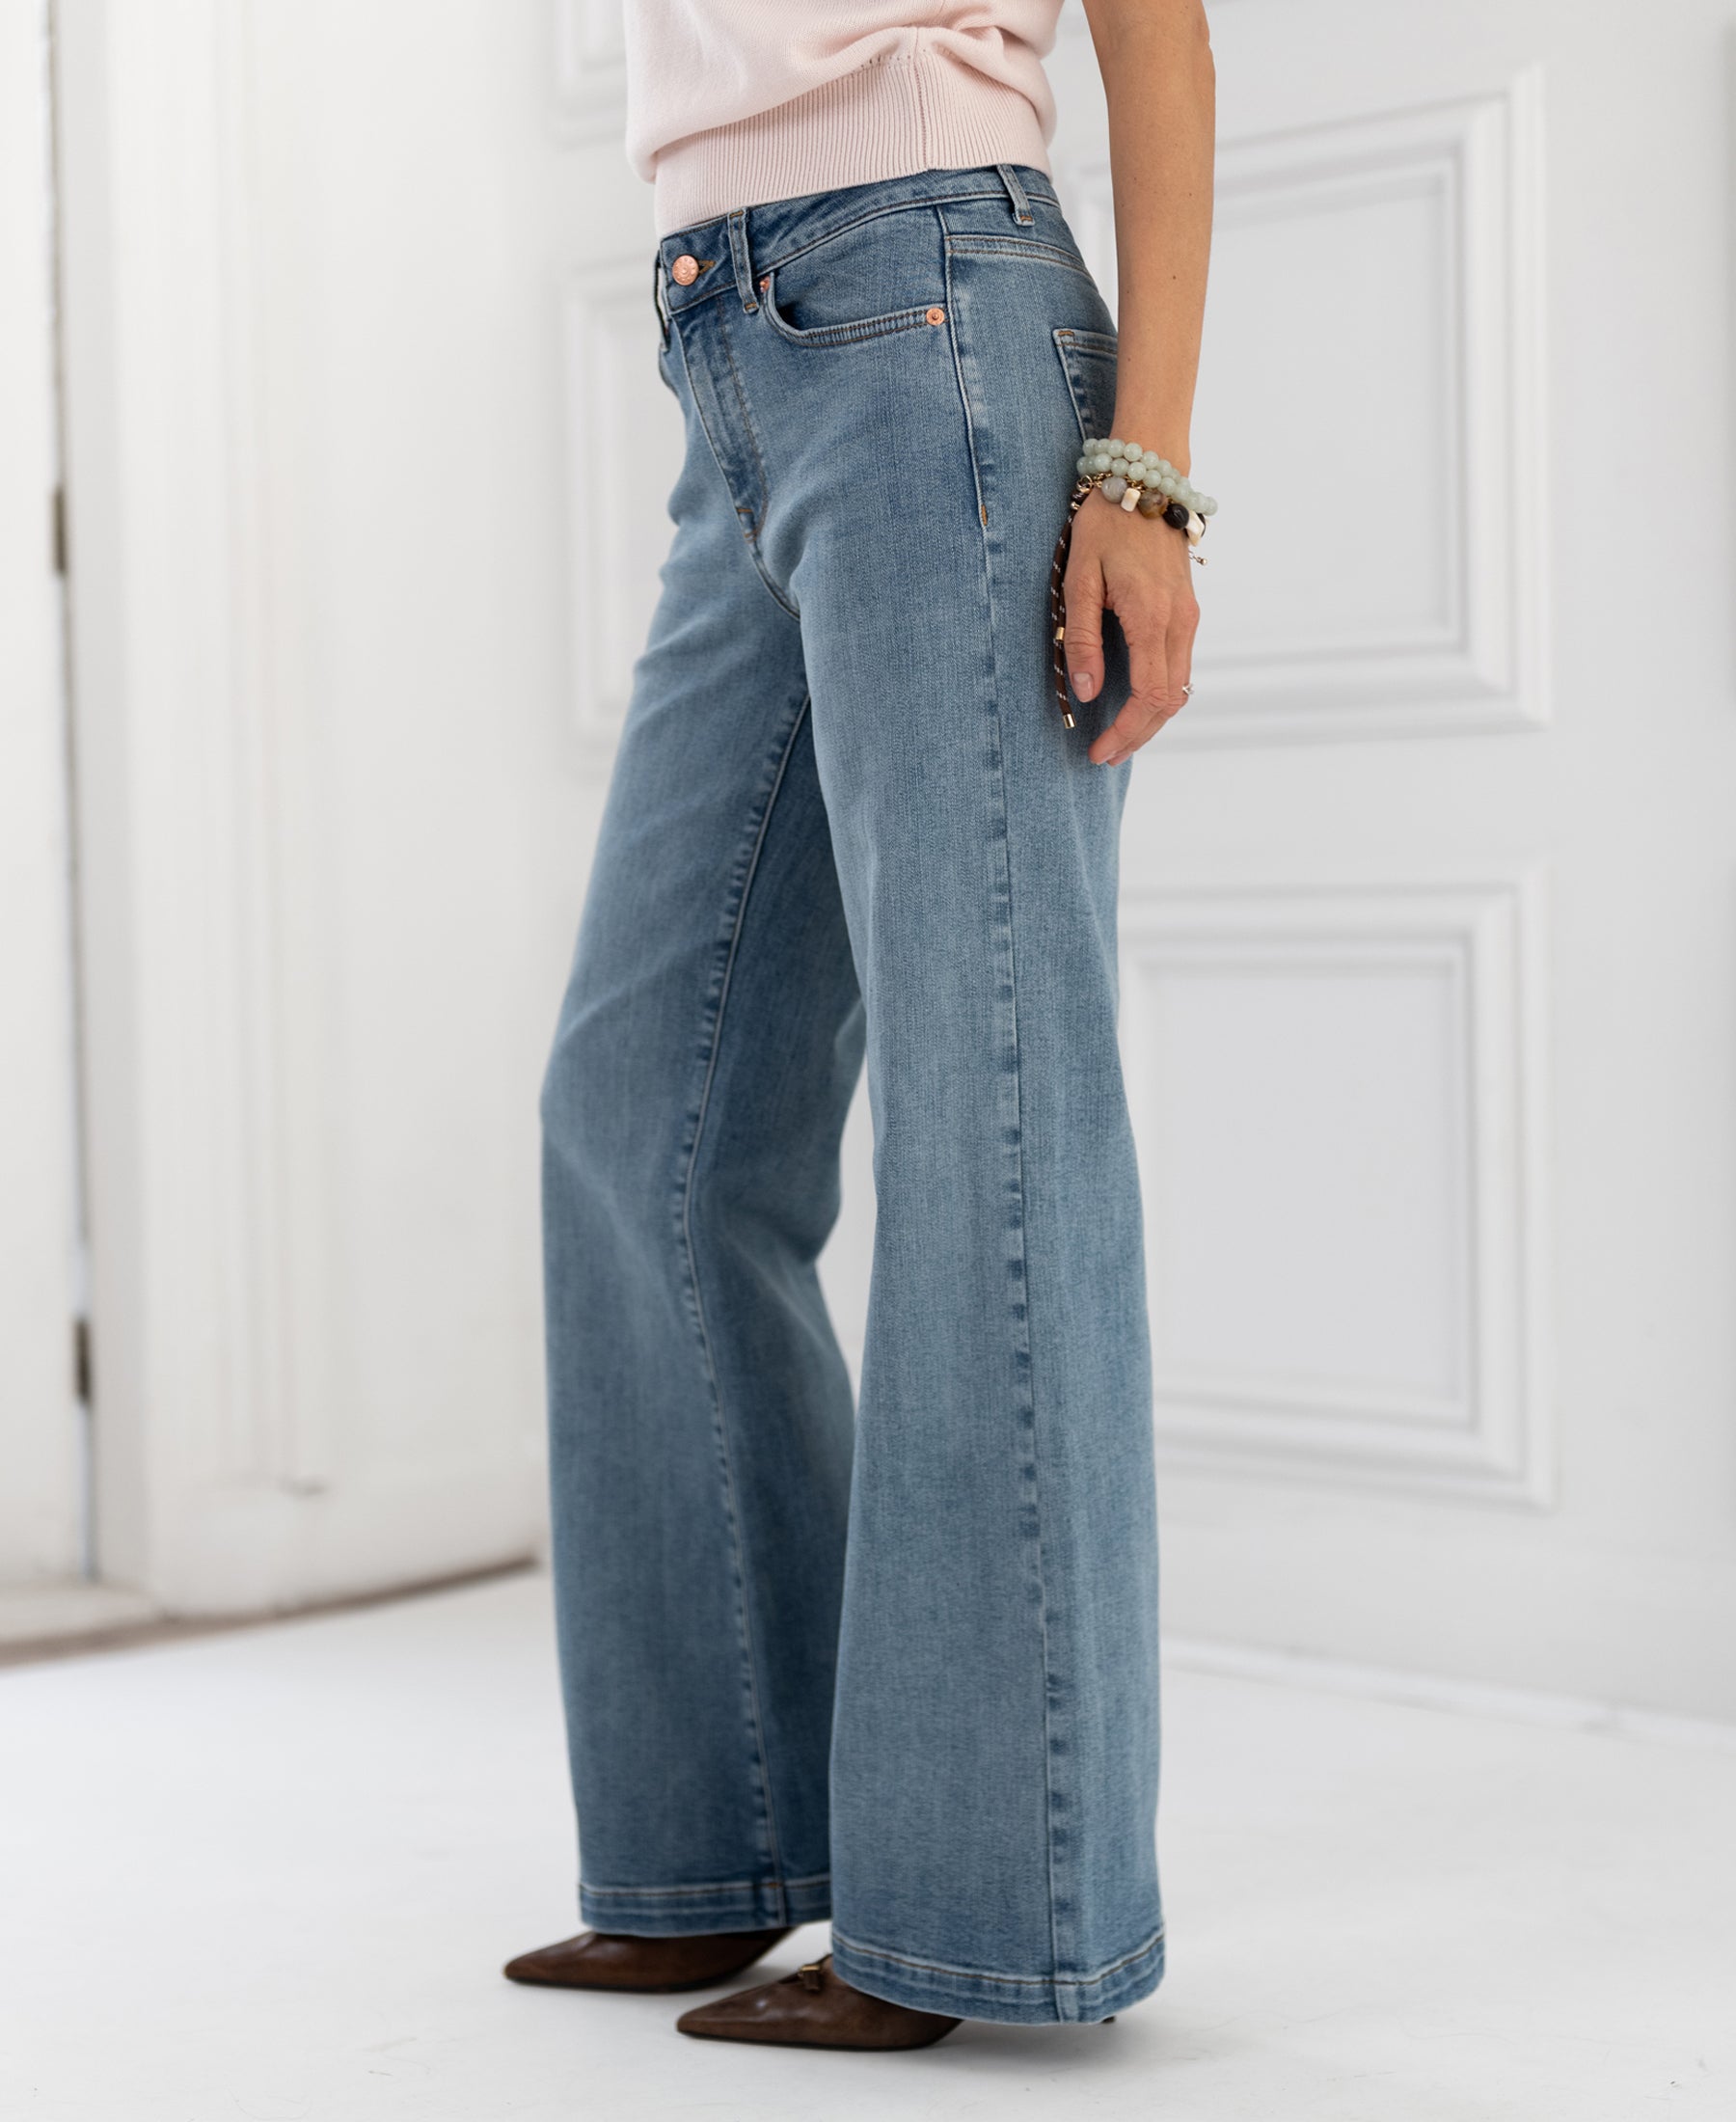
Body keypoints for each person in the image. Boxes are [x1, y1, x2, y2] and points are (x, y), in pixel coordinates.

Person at [506, 0, 1215, 2053]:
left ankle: (980, 1904)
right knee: (640, 1108)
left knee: (992, 1113)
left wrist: (1146, 466)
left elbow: (1155, 34)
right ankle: (718, 1841)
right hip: (731, 342)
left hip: (931, 309)